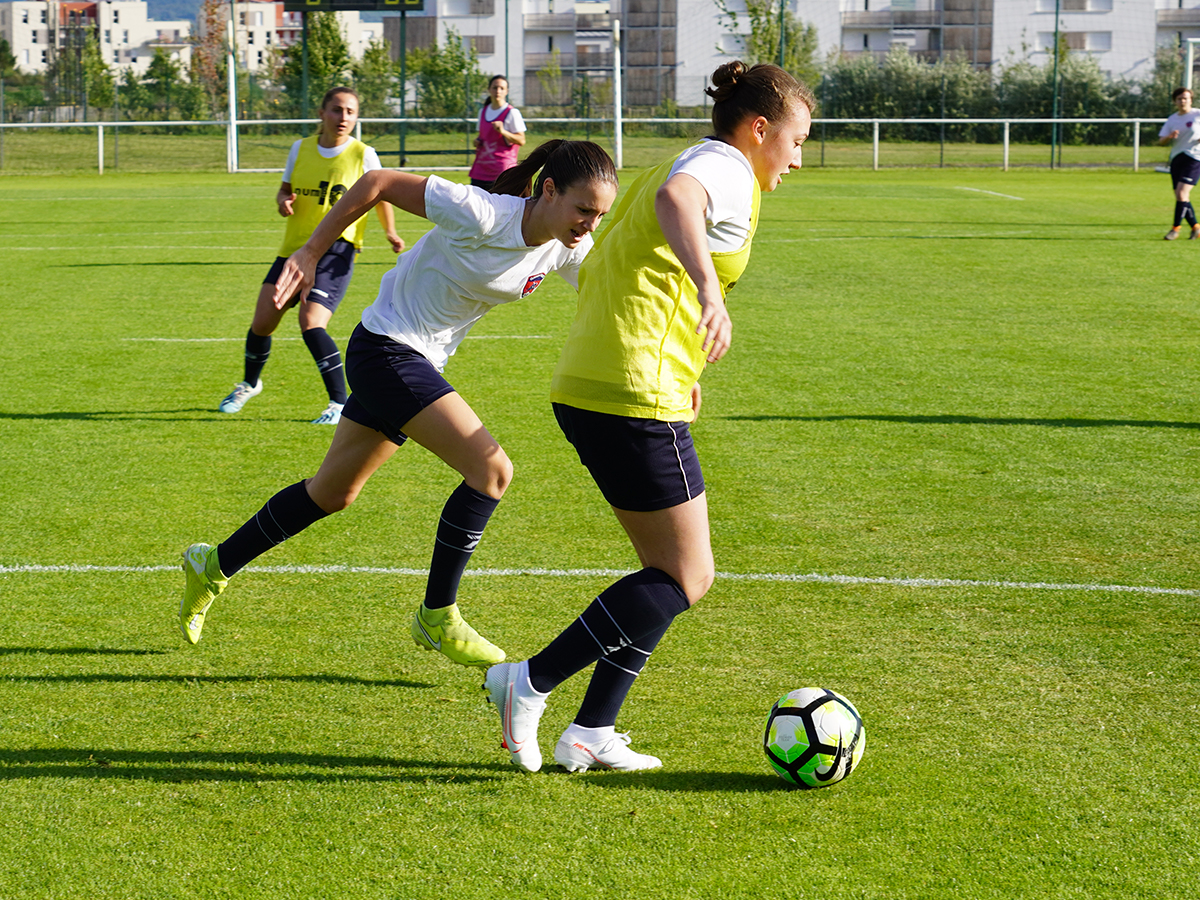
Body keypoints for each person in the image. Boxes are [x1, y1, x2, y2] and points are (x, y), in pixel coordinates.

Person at [482, 61, 814, 773]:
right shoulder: (721, 168)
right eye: (794, 140)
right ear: (760, 129)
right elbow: (676, 202)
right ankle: (529, 681)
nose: (796, 157)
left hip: (606, 380)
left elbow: (619, 265)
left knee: (662, 573)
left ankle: (591, 731)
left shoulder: (696, 157)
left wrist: (685, 365)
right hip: (630, 390)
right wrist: (708, 293)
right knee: (688, 575)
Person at [181, 141, 620, 667]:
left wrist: (673, 362)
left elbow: (611, 296)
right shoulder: (481, 211)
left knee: (332, 493)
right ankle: (437, 616)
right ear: (549, 189)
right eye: (583, 210)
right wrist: (310, 251)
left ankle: (213, 564)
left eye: (600, 215)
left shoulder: (565, 245)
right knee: (491, 470)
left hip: (415, 362)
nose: (590, 224)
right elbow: (378, 182)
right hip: (387, 348)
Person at [219, 86, 406, 425]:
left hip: (338, 249)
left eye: (350, 111)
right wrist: (282, 201)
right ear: (322, 113)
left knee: (311, 322)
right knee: (263, 322)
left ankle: (339, 402)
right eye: (337, 110)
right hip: (294, 249)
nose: (344, 117)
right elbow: (285, 189)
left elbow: (383, 195)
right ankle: (249, 383)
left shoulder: (364, 154)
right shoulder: (300, 149)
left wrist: (390, 232)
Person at [469, 75, 527, 191]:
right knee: (476, 207)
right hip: (480, 169)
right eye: (495, 87)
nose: (498, 91)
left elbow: (521, 140)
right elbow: (483, 136)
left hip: (502, 171)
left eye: (501, 88)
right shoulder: (483, 111)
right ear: (489, 90)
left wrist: (503, 132)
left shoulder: (512, 113)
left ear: (507, 91)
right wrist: (477, 141)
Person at [1158, 87, 1200, 241]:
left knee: (1182, 193)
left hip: (1195, 158)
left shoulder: (1198, 114)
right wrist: (1169, 136)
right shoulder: (1172, 119)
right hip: (1177, 159)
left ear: (1191, 100)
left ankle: (1175, 229)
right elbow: (1161, 141)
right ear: (1175, 101)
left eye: (1186, 98)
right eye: (1179, 99)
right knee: (1181, 196)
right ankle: (1196, 227)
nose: (1183, 101)